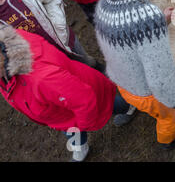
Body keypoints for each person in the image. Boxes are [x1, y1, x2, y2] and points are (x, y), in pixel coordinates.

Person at [95, 0, 175, 150]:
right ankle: (167, 142)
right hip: (145, 93)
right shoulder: (147, 16)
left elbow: (121, 36)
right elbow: (161, 79)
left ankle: (129, 108)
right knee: (170, 117)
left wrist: (160, 21)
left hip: (120, 80)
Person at [0, 25, 136, 162]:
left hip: (76, 100)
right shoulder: (9, 45)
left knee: (106, 105)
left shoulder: (41, 79)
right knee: (72, 129)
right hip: (61, 109)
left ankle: (129, 107)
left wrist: (84, 125)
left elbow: (83, 99)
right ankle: (80, 146)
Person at [0, 0, 102, 71]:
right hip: (43, 58)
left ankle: (98, 70)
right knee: (70, 75)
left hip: (63, 38)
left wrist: (58, 24)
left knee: (85, 61)